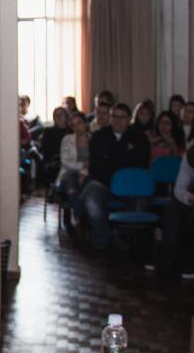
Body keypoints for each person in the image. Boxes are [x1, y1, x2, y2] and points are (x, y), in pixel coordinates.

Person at [83, 103, 151, 249]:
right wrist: (123, 158)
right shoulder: (99, 136)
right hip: (104, 183)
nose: (118, 120)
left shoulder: (139, 137)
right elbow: (95, 166)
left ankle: (128, 239)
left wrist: (111, 159)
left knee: (140, 199)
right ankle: (104, 234)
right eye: (115, 116)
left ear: (129, 119)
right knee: (90, 197)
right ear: (110, 118)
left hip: (131, 186)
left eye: (122, 117)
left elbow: (140, 164)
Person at [157, 145, 194, 283]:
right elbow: (179, 189)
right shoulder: (189, 156)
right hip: (191, 198)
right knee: (171, 207)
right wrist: (190, 197)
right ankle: (169, 258)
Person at [58, 112, 92, 225]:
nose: (77, 127)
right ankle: (80, 215)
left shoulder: (94, 138)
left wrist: (84, 171)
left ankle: (78, 214)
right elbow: (65, 161)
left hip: (89, 173)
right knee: (71, 178)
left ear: (86, 124)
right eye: (73, 125)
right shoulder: (67, 139)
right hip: (69, 173)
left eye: (79, 123)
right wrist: (82, 166)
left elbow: (96, 160)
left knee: (86, 182)